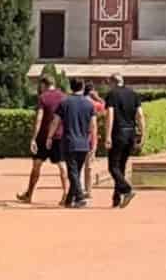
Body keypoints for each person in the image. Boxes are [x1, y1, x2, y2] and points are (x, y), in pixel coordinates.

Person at [18, 74, 67, 204]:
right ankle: (66, 194)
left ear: (43, 85)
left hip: (43, 136)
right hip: (59, 136)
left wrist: (33, 138)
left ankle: (29, 194)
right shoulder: (63, 97)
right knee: (62, 165)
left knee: (36, 165)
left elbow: (39, 118)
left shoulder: (43, 98)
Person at [102, 73, 144, 209]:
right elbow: (140, 115)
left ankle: (126, 190)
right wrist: (142, 133)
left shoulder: (112, 95)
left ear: (113, 82)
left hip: (118, 132)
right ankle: (116, 198)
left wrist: (107, 136)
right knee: (121, 167)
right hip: (130, 132)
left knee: (113, 166)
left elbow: (110, 114)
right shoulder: (133, 94)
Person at [56, 80, 99, 207]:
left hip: (69, 141)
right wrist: (94, 143)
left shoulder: (65, 102)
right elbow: (93, 126)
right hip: (84, 142)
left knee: (72, 172)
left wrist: (49, 136)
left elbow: (56, 121)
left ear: (71, 87)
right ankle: (69, 199)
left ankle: (80, 197)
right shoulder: (89, 104)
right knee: (76, 172)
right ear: (83, 87)